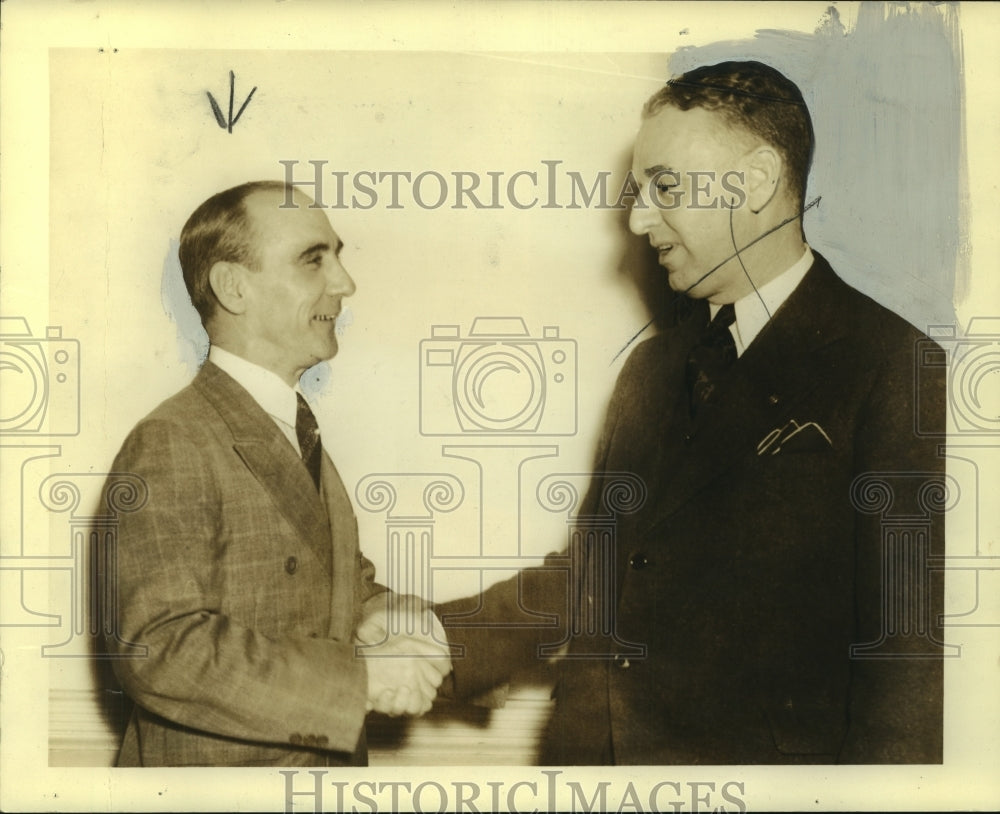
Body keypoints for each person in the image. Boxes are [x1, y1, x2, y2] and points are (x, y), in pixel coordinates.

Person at [437, 61, 947, 764]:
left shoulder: (896, 366)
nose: (639, 219)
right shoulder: (650, 369)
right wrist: (432, 641)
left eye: (665, 188)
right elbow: (597, 573)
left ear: (759, 180)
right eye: (638, 192)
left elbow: (909, 667)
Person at [102, 181, 450, 767]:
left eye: (337, 257)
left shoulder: (291, 426)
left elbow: (324, 582)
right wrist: (359, 681)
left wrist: (384, 611)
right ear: (233, 287)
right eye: (314, 259)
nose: (344, 283)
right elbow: (157, 646)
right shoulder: (172, 440)